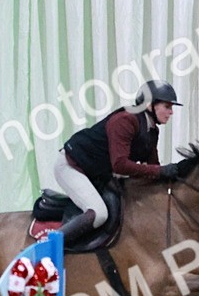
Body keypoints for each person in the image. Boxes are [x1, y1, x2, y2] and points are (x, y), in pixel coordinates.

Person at [52, 79, 182, 241]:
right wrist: (161, 171)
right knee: (98, 213)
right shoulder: (125, 120)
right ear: (149, 105)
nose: (171, 112)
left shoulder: (151, 131)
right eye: (167, 107)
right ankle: (49, 245)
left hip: (95, 171)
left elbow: (153, 168)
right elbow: (119, 165)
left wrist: (176, 177)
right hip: (72, 165)